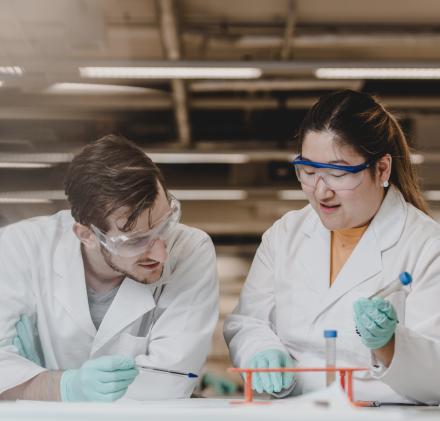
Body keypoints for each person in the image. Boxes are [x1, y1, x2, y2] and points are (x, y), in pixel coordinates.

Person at [224, 89, 440, 404]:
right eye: (309, 172)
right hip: (292, 417)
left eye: (338, 173)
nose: (321, 192)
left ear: (381, 169)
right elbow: (248, 322)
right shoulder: (286, 234)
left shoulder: (426, 246)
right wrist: (260, 349)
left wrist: (391, 345)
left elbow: (436, 378)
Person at [0, 135, 219, 402]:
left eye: (164, 226)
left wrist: (40, 385)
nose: (161, 254)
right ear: (87, 235)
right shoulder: (21, 247)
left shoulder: (190, 249)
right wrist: (65, 387)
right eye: (136, 240)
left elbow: (169, 381)